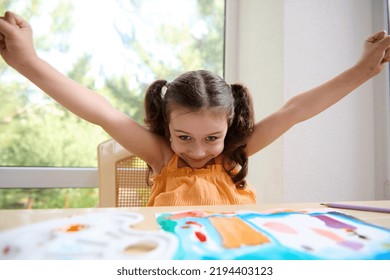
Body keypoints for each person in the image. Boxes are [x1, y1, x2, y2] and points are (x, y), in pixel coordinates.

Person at [1, 11, 390, 206]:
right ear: (166, 128)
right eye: (184, 136)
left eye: (212, 138)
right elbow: (101, 111)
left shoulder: (236, 153)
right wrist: (26, 62)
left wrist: (362, 71)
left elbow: (296, 110)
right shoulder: (162, 156)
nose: (199, 151)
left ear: (230, 127)